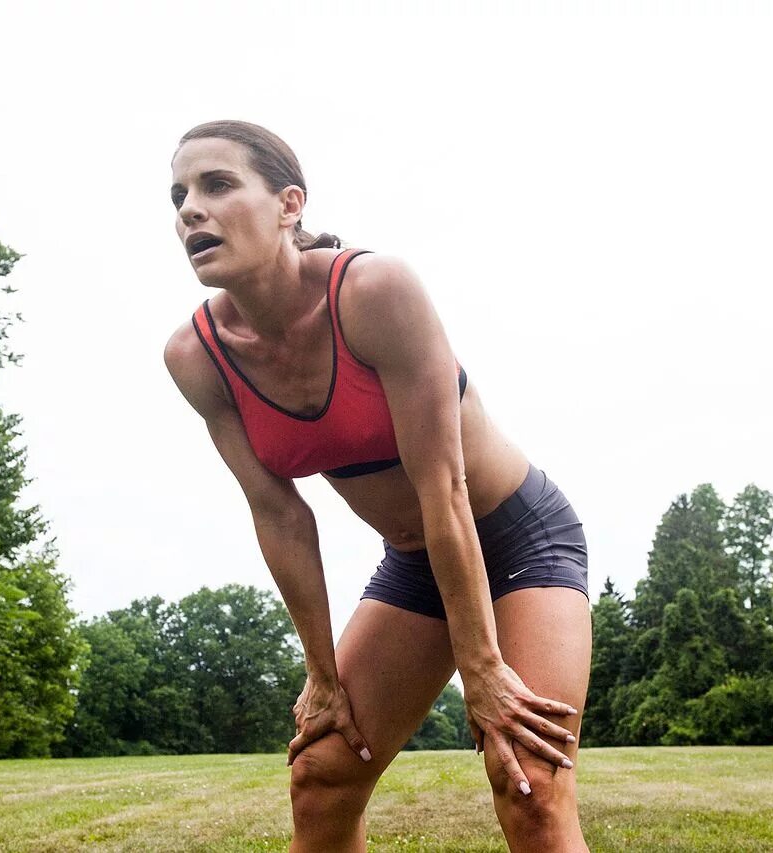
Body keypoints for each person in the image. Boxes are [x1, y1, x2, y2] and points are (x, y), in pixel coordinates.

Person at [164, 120, 593, 852]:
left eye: (217, 185)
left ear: (289, 204)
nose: (189, 210)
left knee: (527, 777)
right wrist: (322, 675)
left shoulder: (373, 291)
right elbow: (280, 517)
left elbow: (445, 489)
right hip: (417, 560)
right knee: (323, 774)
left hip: (515, 535)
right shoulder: (197, 356)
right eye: (178, 196)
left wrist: (482, 668)